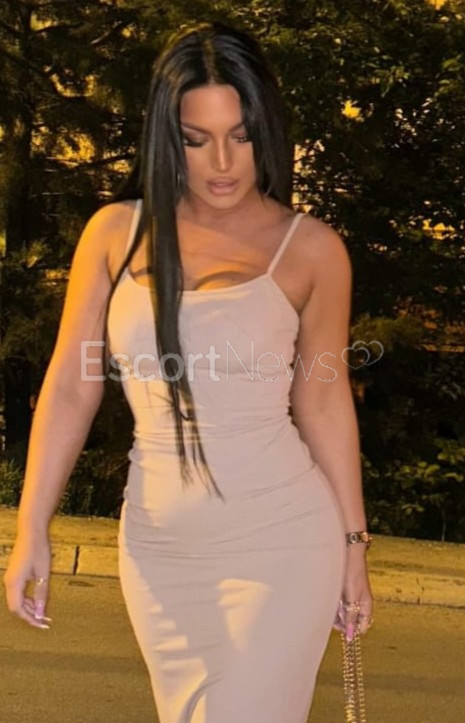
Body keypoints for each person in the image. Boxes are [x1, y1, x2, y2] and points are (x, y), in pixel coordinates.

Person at [3, 20, 374, 722]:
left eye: (240, 135)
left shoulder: (312, 250)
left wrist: (354, 547)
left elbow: (324, 404)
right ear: (166, 138)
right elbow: (72, 387)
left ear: (266, 129)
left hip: (279, 542)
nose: (222, 162)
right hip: (158, 550)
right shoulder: (115, 234)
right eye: (196, 138)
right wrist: (32, 527)